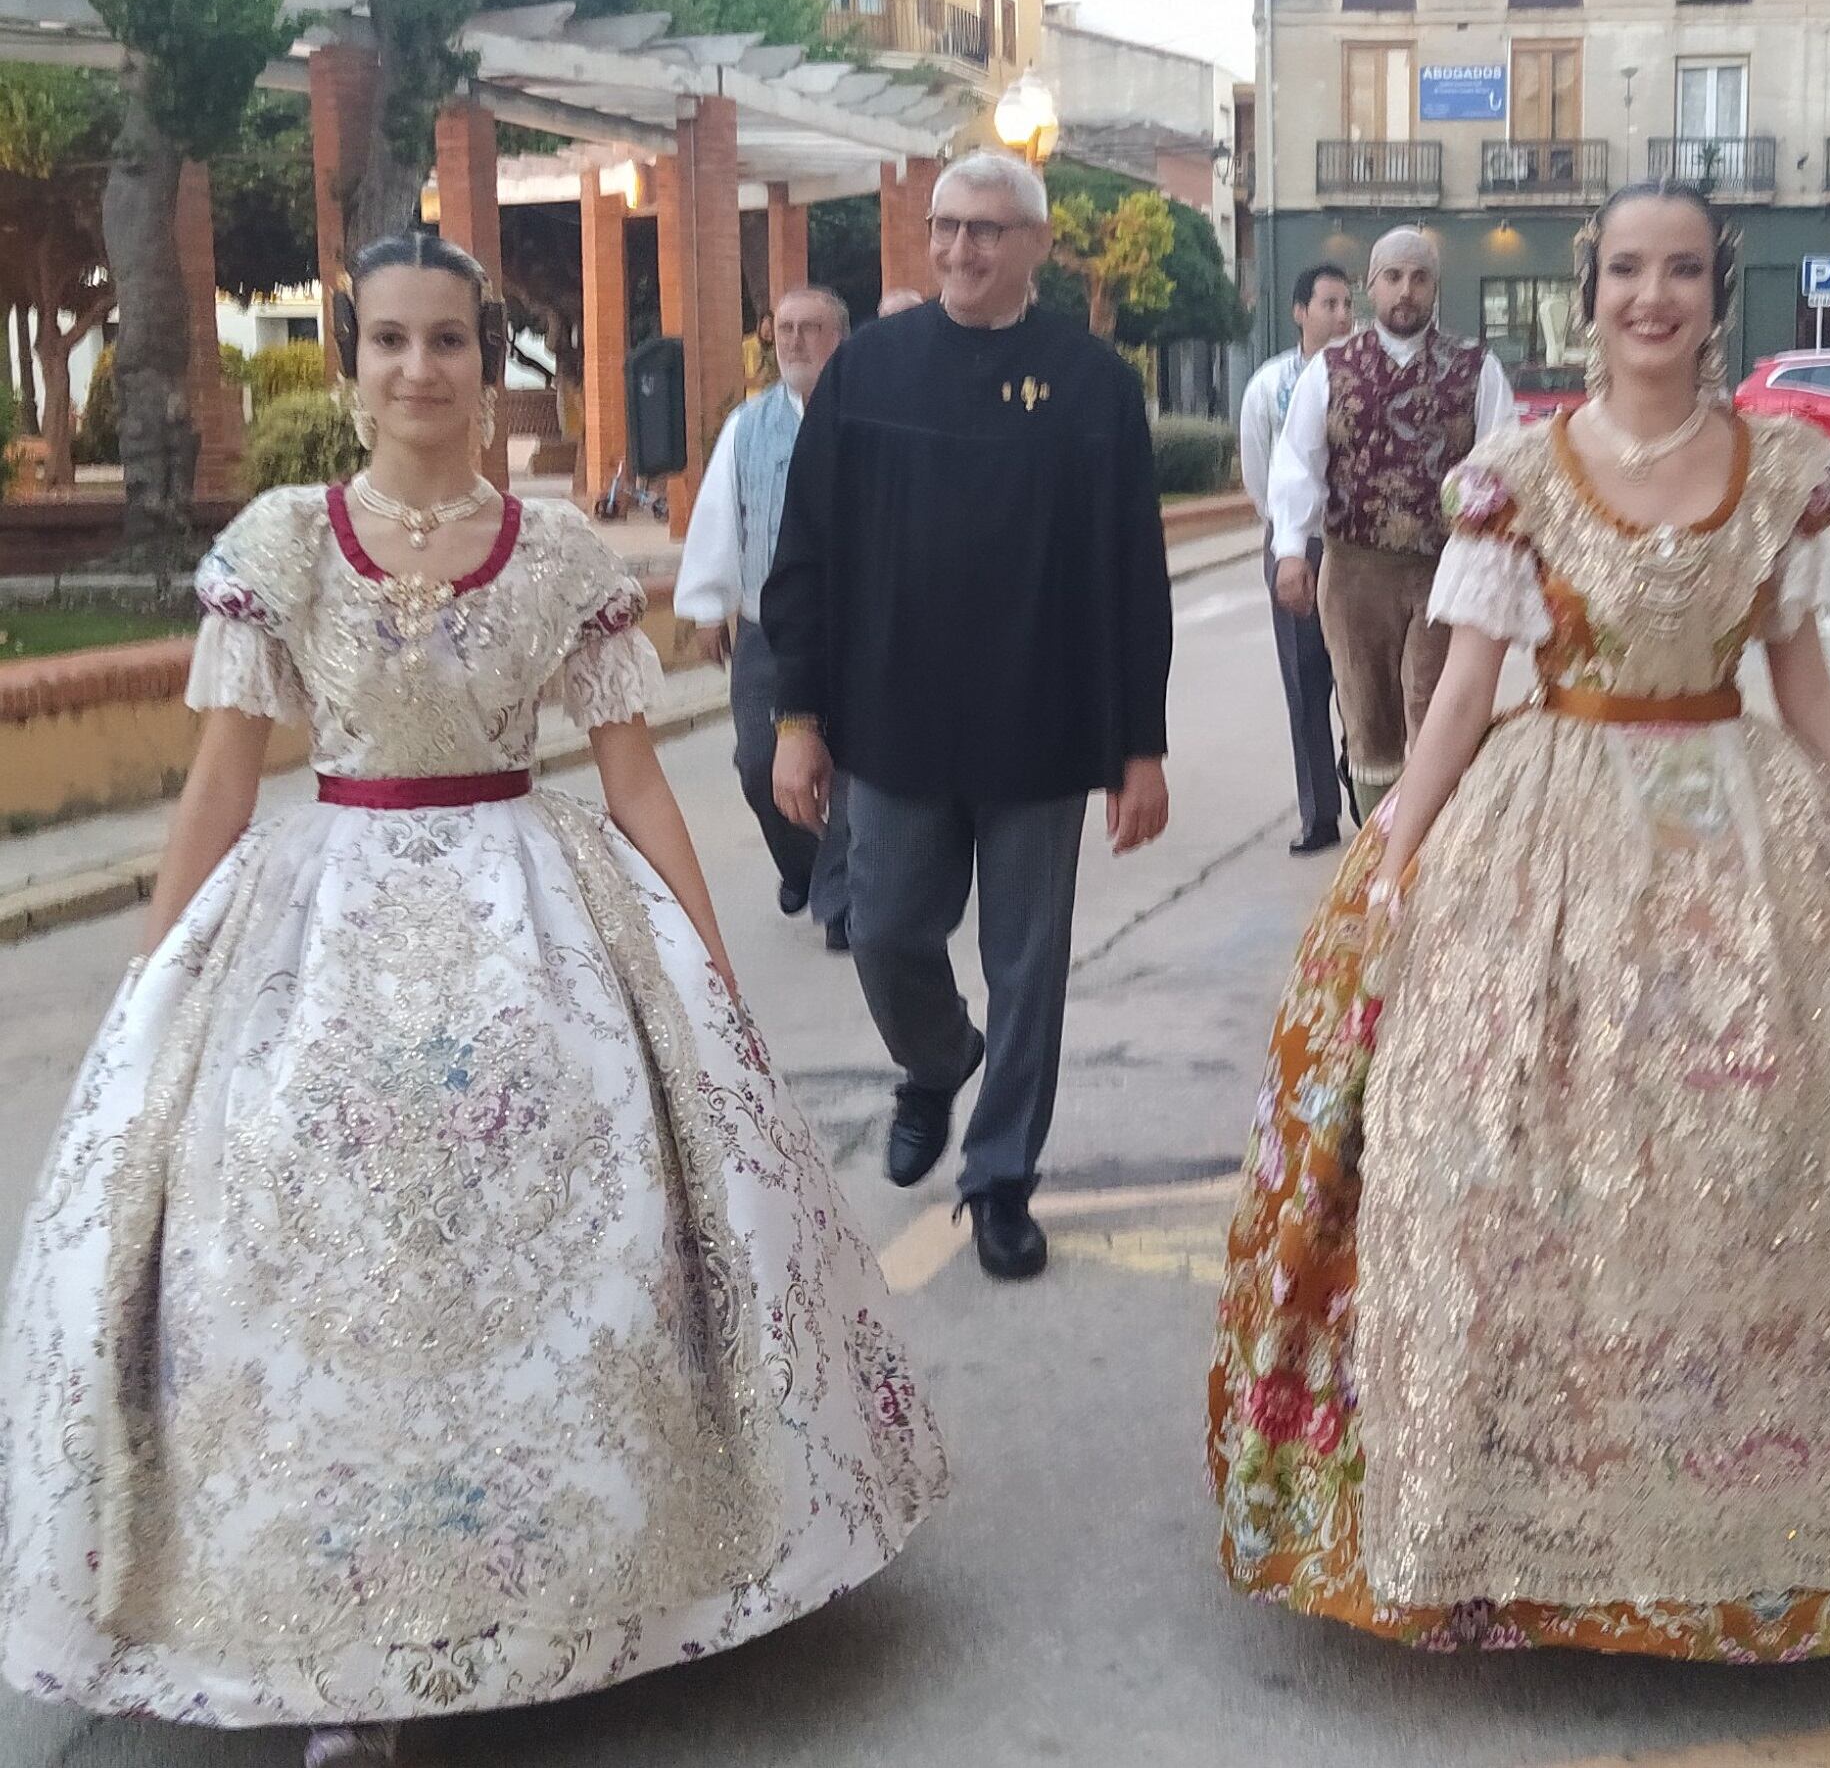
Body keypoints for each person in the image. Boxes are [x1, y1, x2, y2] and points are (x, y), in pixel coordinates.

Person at [0, 235, 946, 1766]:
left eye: (448, 341)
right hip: (318, 933)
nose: (419, 370)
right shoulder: (282, 546)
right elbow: (220, 784)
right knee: (317, 1266)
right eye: (389, 341)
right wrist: (147, 976)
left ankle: (568, 1589)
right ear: (349, 360)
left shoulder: (563, 556)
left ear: (484, 360)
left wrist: (702, 969)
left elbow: (636, 779)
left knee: (573, 1249)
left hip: (537, 928)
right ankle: (342, 1645)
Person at [1209, 182, 1830, 1660]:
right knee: (1516, 1155)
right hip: (1553, 820)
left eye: (1677, 271)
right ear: (1588, 287)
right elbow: (1465, 686)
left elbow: (1797, 680)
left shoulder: (1782, 466)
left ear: (1714, 291)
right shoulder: (1518, 475)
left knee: (1771, 1152)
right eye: (1622, 271)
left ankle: (1776, 1501)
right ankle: (1523, 1498)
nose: (1647, 296)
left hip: (1745, 821)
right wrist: (1396, 851)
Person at [763, 150, 1173, 1282]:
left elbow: (1131, 573)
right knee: (886, 929)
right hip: (892, 726)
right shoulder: (869, 373)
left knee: (1028, 968)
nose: (961, 250)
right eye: (946, 227)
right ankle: (936, 1057)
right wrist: (799, 715)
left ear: (1035, 245)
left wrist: (1139, 744)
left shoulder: (1093, 387)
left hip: (1039, 730)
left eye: (988, 231)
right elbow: (806, 553)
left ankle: (999, 1179)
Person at [1267, 225, 1516, 820]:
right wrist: (1291, 550)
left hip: (1445, 570)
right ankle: (1377, 853)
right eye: (1394, 277)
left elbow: (1505, 465)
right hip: (1355, 572)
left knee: (1438, 711)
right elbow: (1298, 463)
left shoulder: (1476, 369)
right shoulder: (1329, 369)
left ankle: (1435, 851)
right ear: (1371, 286)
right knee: (1367, 716)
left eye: (1420, 277)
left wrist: (1500, 555)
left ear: (1436, 288)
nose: (1406, 291)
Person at [677, 285, 855, 950]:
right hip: (767, 628)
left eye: (811, 327)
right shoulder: (747, 427)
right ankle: (804, 866)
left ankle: (841, 898)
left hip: (856, 630)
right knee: (760, 763)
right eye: (783, 328)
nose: (794, 341)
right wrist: (705, 604)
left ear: (841, 336)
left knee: (852, 768)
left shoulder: (870, 418)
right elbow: (722, 514)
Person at [1239, 263, 1352, 856]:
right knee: (1305, 681)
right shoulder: (1269, 386)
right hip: (1296, 541)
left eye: (1346, 303)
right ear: (1299, 312)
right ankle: (1318, 815)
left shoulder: (1364, 376)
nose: (1340, 315)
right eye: (1328, 303)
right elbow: (1259, 468)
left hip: (1359, 544)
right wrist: (1287, 536)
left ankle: (1364, 776)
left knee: (1361, 674)